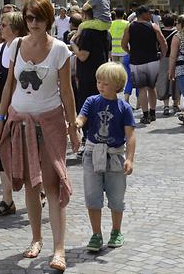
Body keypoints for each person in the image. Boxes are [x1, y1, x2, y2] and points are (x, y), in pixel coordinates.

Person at [0, 0, 79, 270]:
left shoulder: (60, 50)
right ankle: (36, 239)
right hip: (20, 122)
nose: (33, 23)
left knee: (52, 185)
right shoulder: (15, 45)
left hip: (50, 122)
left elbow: (66, 91)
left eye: (38, 17)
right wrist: (0, 119)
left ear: (49, 19)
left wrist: (73, 126)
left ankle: (59, 249)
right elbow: (8, 86)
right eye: (29, 18)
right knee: (31, 185)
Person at [76, 61, 136, 253]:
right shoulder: (92, 101)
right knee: (92, 196)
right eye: (99, 81)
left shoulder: (124, 107)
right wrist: (76, 123)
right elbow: (82, 117)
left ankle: (116, 231)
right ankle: (96, 234)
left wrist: (130, 158)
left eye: (105, 83)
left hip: (115, 156)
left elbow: (131, 136)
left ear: (118, 85)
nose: (101, 85)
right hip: (92, 154)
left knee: (117, 197)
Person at [0, 9, 27, 218]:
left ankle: (40, 191)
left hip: (22, 106)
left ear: (16, 28)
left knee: (28, 149)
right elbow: (4, 78)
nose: (0, 28)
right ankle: (7, 199)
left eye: (4, 25)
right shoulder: (1, 47)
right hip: (3, 103)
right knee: (2, 148)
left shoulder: (24, 47)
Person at [119, 6, 167, 125]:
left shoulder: (130, 27)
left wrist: (131, 52)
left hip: (136, 61)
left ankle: (145, 115)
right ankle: (153, 112)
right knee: (152, 87)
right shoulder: (153, 26)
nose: (150, 15)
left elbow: (123, 44)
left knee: (141, 89)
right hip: (152, 60)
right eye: (149, 13)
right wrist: (162, 55)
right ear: (144, 14)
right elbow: (163, 43)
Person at [69, 8, 111, 112]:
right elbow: (109, 54)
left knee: (86, 108)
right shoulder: (106, 32)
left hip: (87, 77)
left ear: (85, 16)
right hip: (102, 74)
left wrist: (73, 44)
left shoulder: (87, 32)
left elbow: (83, 56)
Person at [155, 14, 180, 115]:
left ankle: (166, 105)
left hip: (163, 59)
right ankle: (175, 104)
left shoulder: (159, 33)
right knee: (176, 81)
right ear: (173, 22)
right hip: (176, 59)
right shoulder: (178, 33)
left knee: (163, 81)